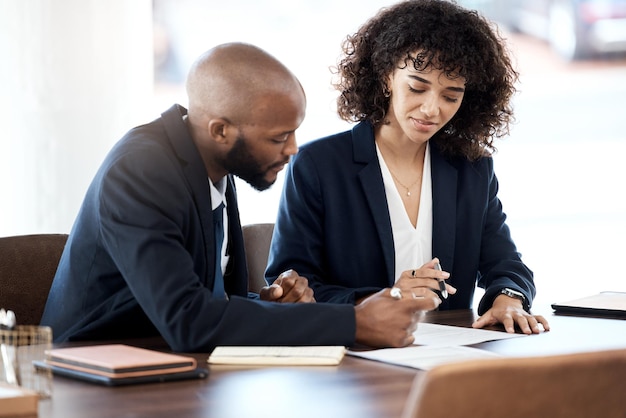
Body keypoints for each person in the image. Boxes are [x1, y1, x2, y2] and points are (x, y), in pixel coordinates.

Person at [41, 42, 441, 352]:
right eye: (279, 137)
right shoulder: (142, 171)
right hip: (90, 371)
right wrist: (356, 323)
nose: (293, 150)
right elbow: (188, 319)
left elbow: (205, 297)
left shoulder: (211, 164)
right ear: (220, 131)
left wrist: (267, 305)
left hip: (168, 360)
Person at [266, 0, 550, 334]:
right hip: (356, 358)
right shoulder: (318, 165)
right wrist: (384, 298)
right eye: (417, 87)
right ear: (387, 76)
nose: (432, 109)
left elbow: (505, 263)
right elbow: (292, 287)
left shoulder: (472, 167)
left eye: (451, 95)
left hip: (449, 357)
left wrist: (508, 299)